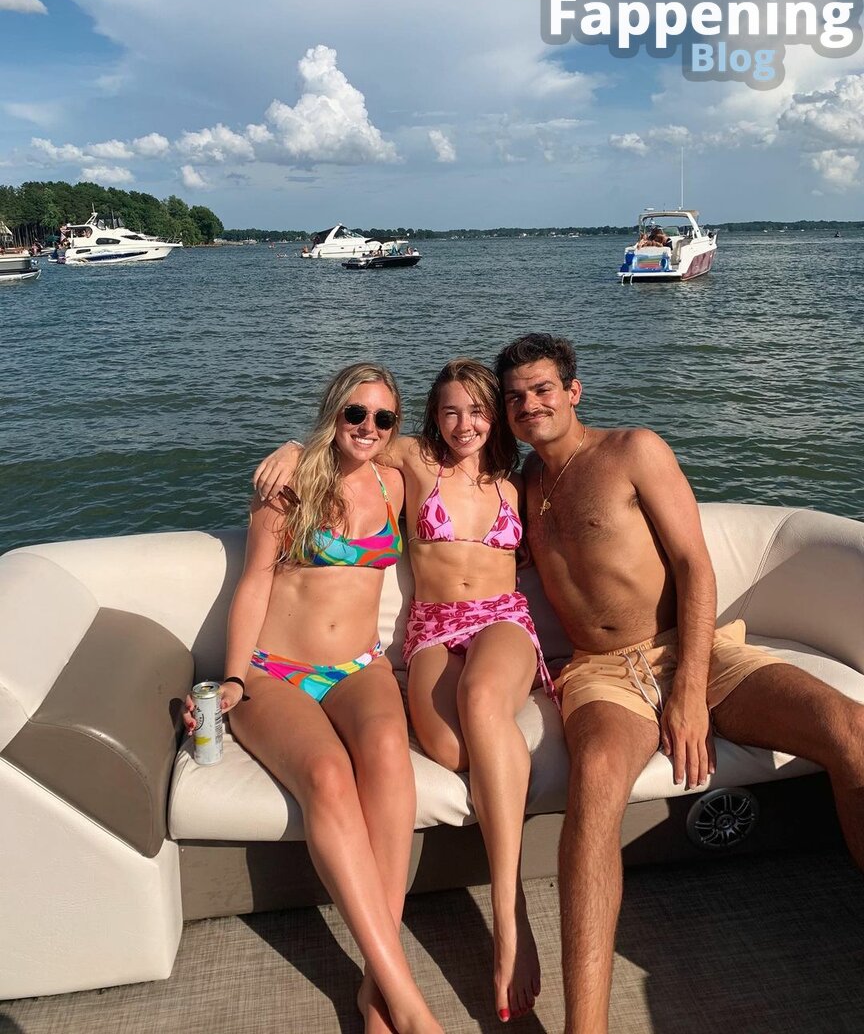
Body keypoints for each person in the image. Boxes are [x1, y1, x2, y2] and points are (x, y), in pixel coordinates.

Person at [494, 332, 864, 1034]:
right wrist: (299, 454)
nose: (529, 405)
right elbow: (417, 459)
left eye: (543, 390)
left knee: (851, 729)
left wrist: (690, 691)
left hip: (695, 649)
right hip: (600, 671)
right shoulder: (521, 486)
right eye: (515, 397)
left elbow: (696, 566)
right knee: (596, 781)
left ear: (574, 391)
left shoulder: (633, 451)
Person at [255, 359, 555, 1023]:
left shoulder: (518, 481)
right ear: (433, 417)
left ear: (495, 415)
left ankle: (510, 915)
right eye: (450, 411)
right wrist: (291, 447)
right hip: (433, 626)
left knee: (482, 703)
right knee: (451, 750)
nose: (464, 424)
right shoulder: (417, 462)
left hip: (501, 618)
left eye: (477, 410)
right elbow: (351, 437)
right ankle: (390, 972)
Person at [187, 363, 442, 1034]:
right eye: (355, 412)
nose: (368, 427)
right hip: (276, 670)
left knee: (388, 753)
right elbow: (254, 584)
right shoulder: (289, 486)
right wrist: (234, 679)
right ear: (335, 412)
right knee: (328, 775)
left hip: (359, 667)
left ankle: (377, 985)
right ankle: (407, 1003)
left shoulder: (394, 482)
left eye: (383, 417)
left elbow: (453, 446)